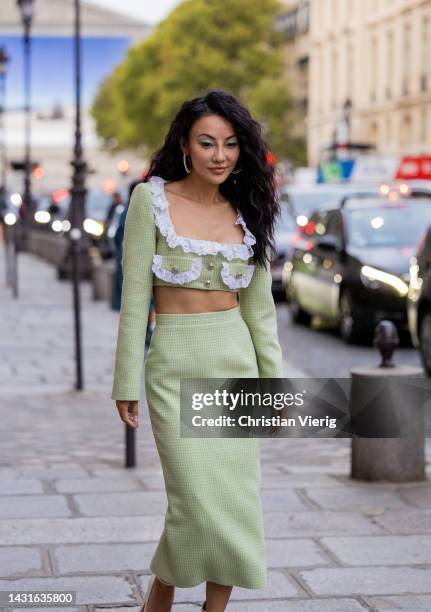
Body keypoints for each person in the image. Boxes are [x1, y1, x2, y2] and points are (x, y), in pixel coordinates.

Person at [111, 89, 283, 612]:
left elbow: (260, 312)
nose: (219, 155)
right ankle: (163, 589)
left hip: (236, 365)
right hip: (174, 365)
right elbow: (134, 297)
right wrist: (125, 381)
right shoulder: (151, 201)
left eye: (230, 145)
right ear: (185, 144)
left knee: (232, 503)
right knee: (192, 503)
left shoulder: (248, 210)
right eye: (207, 143)